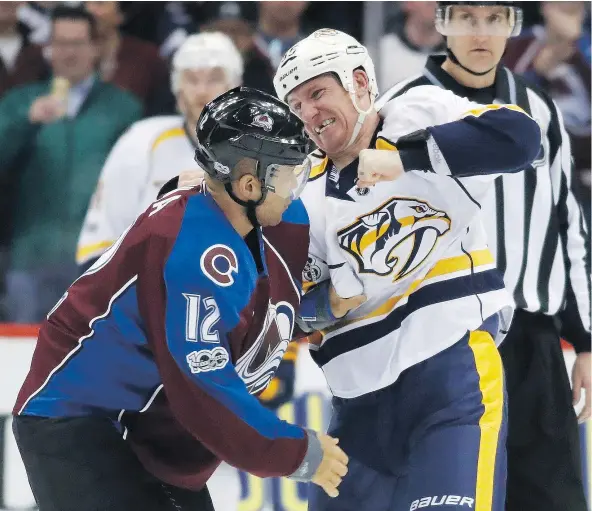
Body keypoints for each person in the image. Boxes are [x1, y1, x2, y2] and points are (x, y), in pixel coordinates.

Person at [11, 87, 348, 511]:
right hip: (79, 420)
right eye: (287, 174)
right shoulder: (187, 249)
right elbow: (203, 386)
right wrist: (296, 452)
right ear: (248, 184)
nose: (295, 187)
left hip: (148, 426)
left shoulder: (273, 218)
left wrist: (306, 313)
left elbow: (248, 314)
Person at [273, 28, 540, 511]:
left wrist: (408, 158)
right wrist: (322, 305)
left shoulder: (417, 110)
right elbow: (281, 309)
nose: (308, 114)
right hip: (358, 412)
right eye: (295, 105)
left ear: (358, 81)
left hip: (450, 379)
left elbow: (520, 139)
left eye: (316, 92)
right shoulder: (298, 194)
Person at [379, 2, 591, 510]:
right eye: (468, 18)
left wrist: (585, 340)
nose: (482, 32)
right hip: (440, 347)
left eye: (495, 19)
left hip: (531, 347)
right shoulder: (400, 110)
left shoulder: (540, 109)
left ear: (512, 26)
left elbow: (568, 224)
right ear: (443, 22)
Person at [75, 31, 299, 509]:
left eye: (215, 78)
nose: (202, 90)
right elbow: (98, 253)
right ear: (176, 90)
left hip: (225, 350)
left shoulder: (275, 155)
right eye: (192, 79)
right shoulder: (142, 142)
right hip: (147, 364)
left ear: (239, 88)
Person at [0, 5, 142, 324]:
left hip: (99, 260)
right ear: (47, 48)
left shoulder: (122, 108)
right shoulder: (19, 102)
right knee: (23, 360)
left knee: (92, 360)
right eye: (60, 43)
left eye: (77, 43)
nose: (68, 53)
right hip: (30, 257)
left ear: (95, 47)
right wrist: (24, 121)